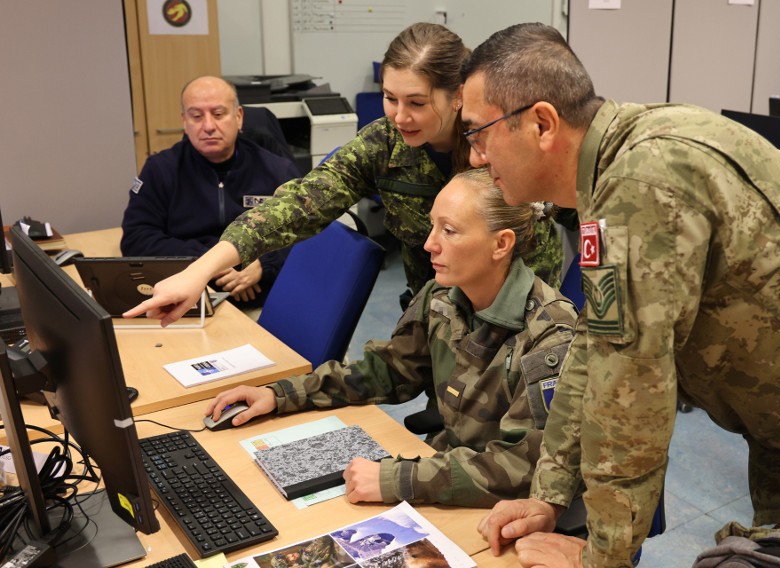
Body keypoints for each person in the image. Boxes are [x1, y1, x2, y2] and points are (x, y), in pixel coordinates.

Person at [461, 23, 780, 568]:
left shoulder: (642, 183)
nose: (475, 157)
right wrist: (548, 492)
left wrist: (600, 558)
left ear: (542, 123)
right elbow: (598, 346)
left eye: (478, 133)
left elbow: (631, 394)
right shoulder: (622, 161)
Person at [121, 23, 564, 326]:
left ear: (456, 98)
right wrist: (199, 272)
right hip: (435, 324)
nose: (399, 116)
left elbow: (543, 245)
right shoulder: (384, 144)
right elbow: (299, 203)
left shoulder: (497, 144)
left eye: (416, 102)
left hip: (516, 324)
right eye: (390, 98)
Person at [204, 168, 578, 507]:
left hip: (506, 508)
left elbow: (522, 468)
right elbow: (387, 370)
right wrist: (280, 394)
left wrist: (397, 479)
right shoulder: (442, 297)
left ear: (501, 244)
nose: (430, 244)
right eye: (433, 227)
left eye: (449, 231)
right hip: (447, 480)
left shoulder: (550, 337)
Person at [120, 76, 301, 308]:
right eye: (196, 116)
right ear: (184, 121)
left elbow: (307, 233)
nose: (208, 126)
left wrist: (265, 264)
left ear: (238, 117)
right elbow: (137, 239)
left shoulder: (277, 170)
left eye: (218, 114)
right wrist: (213, 261)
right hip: (188, 300)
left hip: (262, 301)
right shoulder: (160, 169)